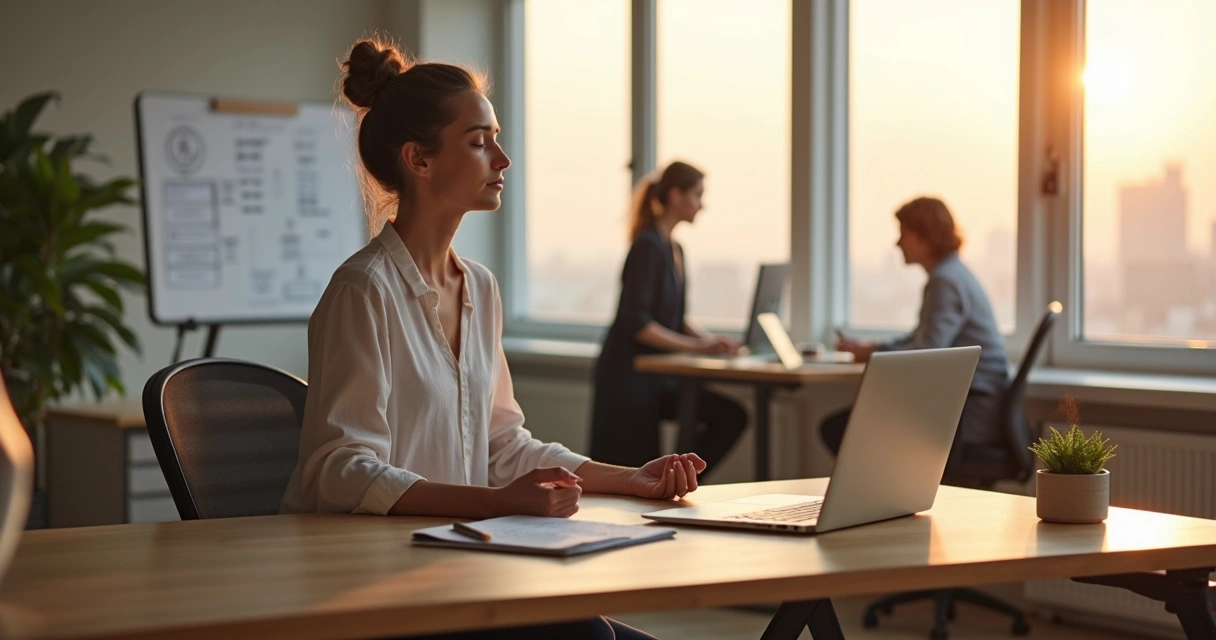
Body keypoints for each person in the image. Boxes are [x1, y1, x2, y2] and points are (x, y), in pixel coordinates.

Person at [280, 38, 702, 640]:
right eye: (479, 143)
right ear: (418, 160)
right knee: (586, 635)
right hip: (376, 585)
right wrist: (498, 503)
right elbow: (340, 471)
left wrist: (630, 477)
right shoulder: (363, 291)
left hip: (460, 567)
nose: (502, 159)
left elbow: (503, 446)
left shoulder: (479, 287)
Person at [822, 197, 1009, 468]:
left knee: (842, 430)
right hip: (970, 405)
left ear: (925, 237)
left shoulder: (945, 281)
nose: (897, 243)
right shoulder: (954, 273)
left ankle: (883, 506)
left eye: (903, 233)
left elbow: (926, 352)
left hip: (967, 414)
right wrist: (871, 348)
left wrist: (872, 353)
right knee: (847, 426)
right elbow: (921, 339)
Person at [589, 162, 748, 477]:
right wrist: (698, 348)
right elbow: (638, 323)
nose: (702, 205)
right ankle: (672, 483)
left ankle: (676, 482)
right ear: (676, 196)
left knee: (730, 415)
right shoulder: (647, 246)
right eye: (697, 195)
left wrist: (709, 341)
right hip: (629, 378)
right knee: (627, 469)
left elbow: (675, 317)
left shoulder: (675, 248)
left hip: (658, 378)